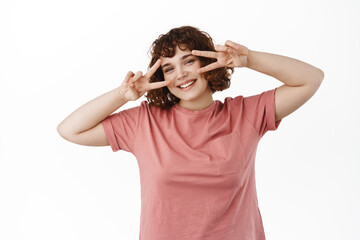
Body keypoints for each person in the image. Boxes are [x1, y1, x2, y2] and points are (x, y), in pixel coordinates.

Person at [57, 26, 324, 240]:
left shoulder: (245, 114)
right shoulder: (145, 121)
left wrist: (250, 59)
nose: (181, 73)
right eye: (169, 68)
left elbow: (310, 79)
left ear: (209, 62)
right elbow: (70, 130)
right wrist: (123, 95)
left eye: (189, 61)